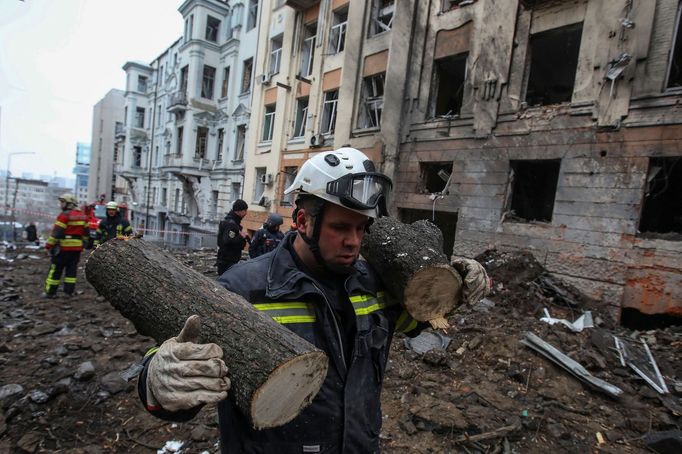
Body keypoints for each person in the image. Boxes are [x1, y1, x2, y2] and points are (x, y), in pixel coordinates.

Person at [137, 148, 490, 453]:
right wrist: (156, 379)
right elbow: (179, 373)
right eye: (340, 227)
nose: (354, 241)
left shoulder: (374, 286)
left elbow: (424, 318)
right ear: (304, 221)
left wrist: (460, 279)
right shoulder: (242, 289)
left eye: (361, 228)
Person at [43, 193, 89, 299]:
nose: (60, 204)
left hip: (63, 249)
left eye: (62, 202)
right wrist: (84, 244)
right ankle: (68, 292)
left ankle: (50, 292)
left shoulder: (64, 215)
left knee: (55, 271)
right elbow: (86, 234)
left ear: (69, 204)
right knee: (71, 271)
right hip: (76, 250)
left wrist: (48, 246)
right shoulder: (83, 216)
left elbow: (57, 233)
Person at [215, 199, 248, 276]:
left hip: (226, 259)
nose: (246, 213)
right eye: (245, 210)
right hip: (228, 261)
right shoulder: (231, 224)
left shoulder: (230, 221)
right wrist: (241, 237)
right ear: (239, 211)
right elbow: (227, 241)